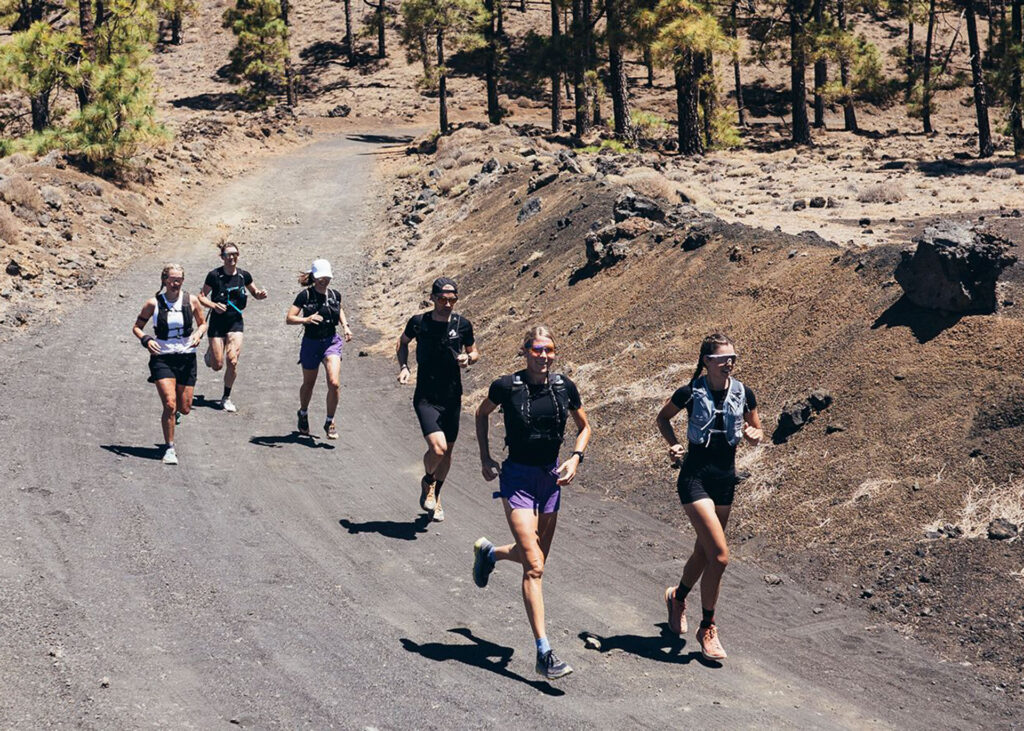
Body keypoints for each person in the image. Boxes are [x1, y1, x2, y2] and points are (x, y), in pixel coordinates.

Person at [472, 326, 591, 680]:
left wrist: (576, 458)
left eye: (549, 350)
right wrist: (485, 457)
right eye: (537, 349)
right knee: (535, 567)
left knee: (533, 557)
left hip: (550, 479)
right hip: (517, 479)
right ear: (524, 351)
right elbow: (481, 414)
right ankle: (544, 652)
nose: (544, 356)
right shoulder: (506, 386)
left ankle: (490, 554)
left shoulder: (564, 387)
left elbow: (584, 426)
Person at [654, 333, 763, 661]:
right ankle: (708, 626)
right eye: (722, 358)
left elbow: (757, 431)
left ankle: (677, 597)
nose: (728, 363)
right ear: (706, 361)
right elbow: (662, 418)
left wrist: (755, 435)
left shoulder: (744, 393)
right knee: (719, 556)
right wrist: (672, 444)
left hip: (725, 480)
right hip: (694, 478)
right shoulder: (689, 392)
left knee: (703, 553)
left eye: (733, 358)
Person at [396, 277, 479, 522]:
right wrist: (404, 367)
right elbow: (402, 343)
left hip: (452, 396)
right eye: (442, 299)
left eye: (452, 300)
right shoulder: (419, 322)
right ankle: (428, 480)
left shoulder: (462, 324)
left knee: (448, 451)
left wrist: (468, 358)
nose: (447, 304)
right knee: (438, 448)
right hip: (426, 396)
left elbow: (474, 351)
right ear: (432, 298)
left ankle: (436, 495)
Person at [131, 264, 208, 465]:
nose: (176, 283)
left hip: (186, 357)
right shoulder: (153, 304)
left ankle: (176, 416)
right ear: (164, 280)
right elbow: (137, 327)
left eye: (179, 279)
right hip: (162, 357)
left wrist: (199, 334)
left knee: (185, 407)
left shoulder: (190, 300)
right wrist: (147, 340)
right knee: (169, 403)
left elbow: (202, 323)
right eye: (172, 279)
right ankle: (170, 448)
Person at [285, 259, 353, 439]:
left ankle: (330, 420)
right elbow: (289, 318)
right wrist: (305, 320)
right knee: (309, 384)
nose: (324, 280)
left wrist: (345, 326)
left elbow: (339, 310)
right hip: (311, 343)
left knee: (334, 383)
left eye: (327, 276)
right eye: (321, 276)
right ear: (314, 276)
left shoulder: (335, 294)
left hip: (331, 341)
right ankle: (303, 413)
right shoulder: (305, 296)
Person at [198, 240, 268, 412]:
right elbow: (201, 296)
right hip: (217, 322)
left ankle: (226, 397)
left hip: (235, 321)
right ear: (222, 257)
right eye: (228, 254)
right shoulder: (214, 275)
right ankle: (211, 353)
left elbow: (254, 293)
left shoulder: (244, 276)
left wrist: (260, 294)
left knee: (233, 361)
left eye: (234, 254)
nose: (231, 258)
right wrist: (213, 305)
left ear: (238, 255)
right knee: (217, 365)